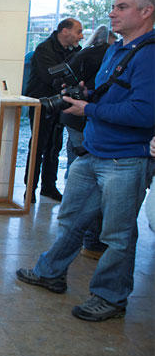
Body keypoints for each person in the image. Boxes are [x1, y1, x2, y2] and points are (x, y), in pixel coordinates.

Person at [16, 0, 155, 322]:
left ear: (146, 11)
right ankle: (51, 272)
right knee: (71, 218)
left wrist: (88, 110)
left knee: (117, 235)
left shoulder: (150, 55)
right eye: (113, 7)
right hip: (92, 151)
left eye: (121, 7)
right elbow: (113, 97)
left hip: (125, 159)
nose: (112, 13)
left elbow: (145, 113)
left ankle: (110, 296)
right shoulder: (116, 50)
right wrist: (86, 95)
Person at [60, 25, 116, 260]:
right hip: (88, 125)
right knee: (90, 186)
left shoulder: (83, 54)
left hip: (78, 122)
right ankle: (92, 241)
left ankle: (73, 246)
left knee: (77, 175)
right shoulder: (106, 55)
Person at [23, 17, 84, 202]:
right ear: (65, 31)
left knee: (55, 147)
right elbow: (52, 77)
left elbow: (73, 76)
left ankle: (49, 187)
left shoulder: (75, 52)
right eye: (78, 31)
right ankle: (30, 189)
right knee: (37, 147)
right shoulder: (44, 49)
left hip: (61, 104)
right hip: (41, 104)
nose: (81, 36)